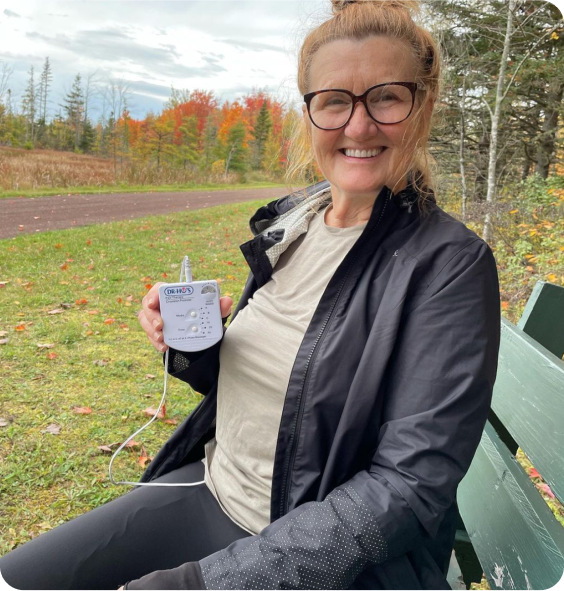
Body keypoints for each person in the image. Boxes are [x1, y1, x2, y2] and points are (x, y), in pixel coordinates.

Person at [0, 1, 501, 590]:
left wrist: (202, 584)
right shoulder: (297, 224)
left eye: (387, 97)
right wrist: (192, 343)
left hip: (313, 556)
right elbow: (281, 391)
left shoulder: (447, 265)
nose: (359, 126)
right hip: (208, 487)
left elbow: (408, 489)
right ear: (310, 113)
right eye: (335, 101)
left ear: (423, 106)